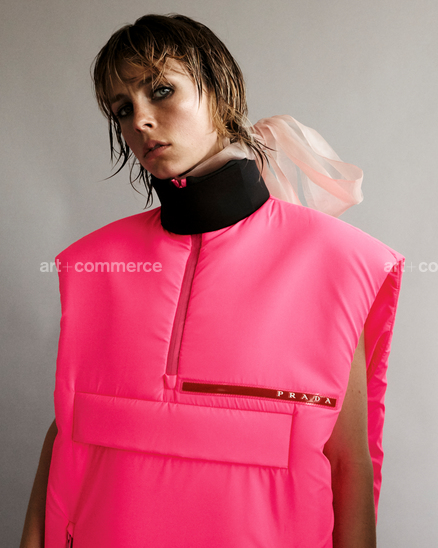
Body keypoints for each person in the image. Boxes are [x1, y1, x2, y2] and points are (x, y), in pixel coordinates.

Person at [20, 13, 404, 548]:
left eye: (161, 91)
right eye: (122, 109)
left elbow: (348, 459)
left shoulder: (340, 261)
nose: (140, 121)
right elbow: (70, 427)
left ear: (220, 90)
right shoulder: (96, 263)